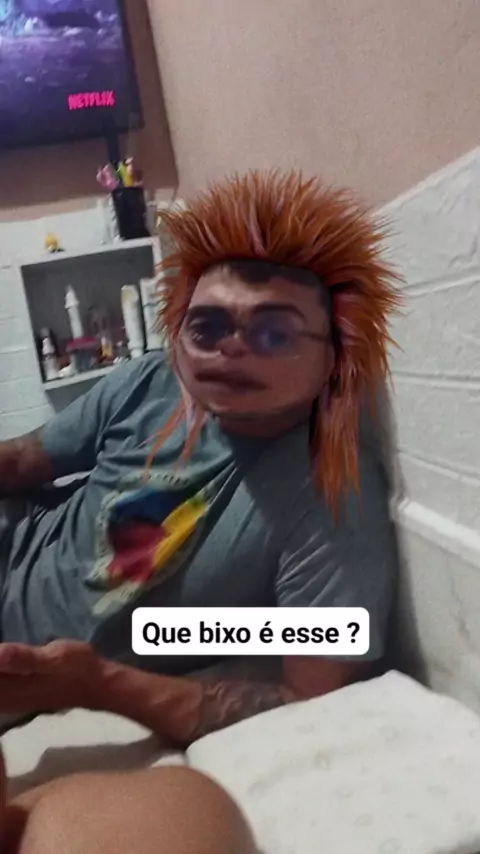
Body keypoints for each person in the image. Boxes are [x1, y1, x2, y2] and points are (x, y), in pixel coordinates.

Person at [0, 169, 400, 751]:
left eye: (273, 334)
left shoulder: (332, 491)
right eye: (207, 327)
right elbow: (18, 461)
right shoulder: (148, 381)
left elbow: (311, 696)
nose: (231, 347)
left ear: (334, 358)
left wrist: (98, 684)